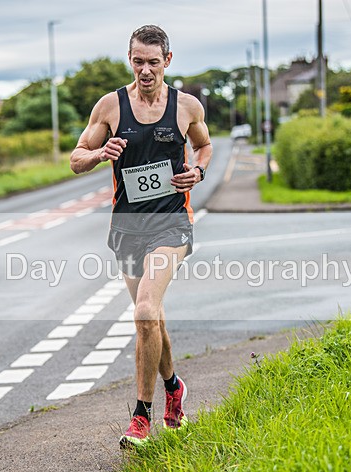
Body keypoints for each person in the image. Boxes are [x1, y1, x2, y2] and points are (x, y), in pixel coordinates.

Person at [70, 24, 212, 448]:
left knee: (145, 309)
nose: (145, 70)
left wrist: (198, 172)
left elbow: (204, 146)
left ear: (168, 61)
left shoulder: (186, 107)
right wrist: (98, 154)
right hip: (128, 228)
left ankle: (140, 418)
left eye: (153, 62)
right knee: (151, 318)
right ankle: (174, 389)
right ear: (129, 60)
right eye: (138, 61)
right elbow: (76, 158)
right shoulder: (111, 107)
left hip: (171, 223)